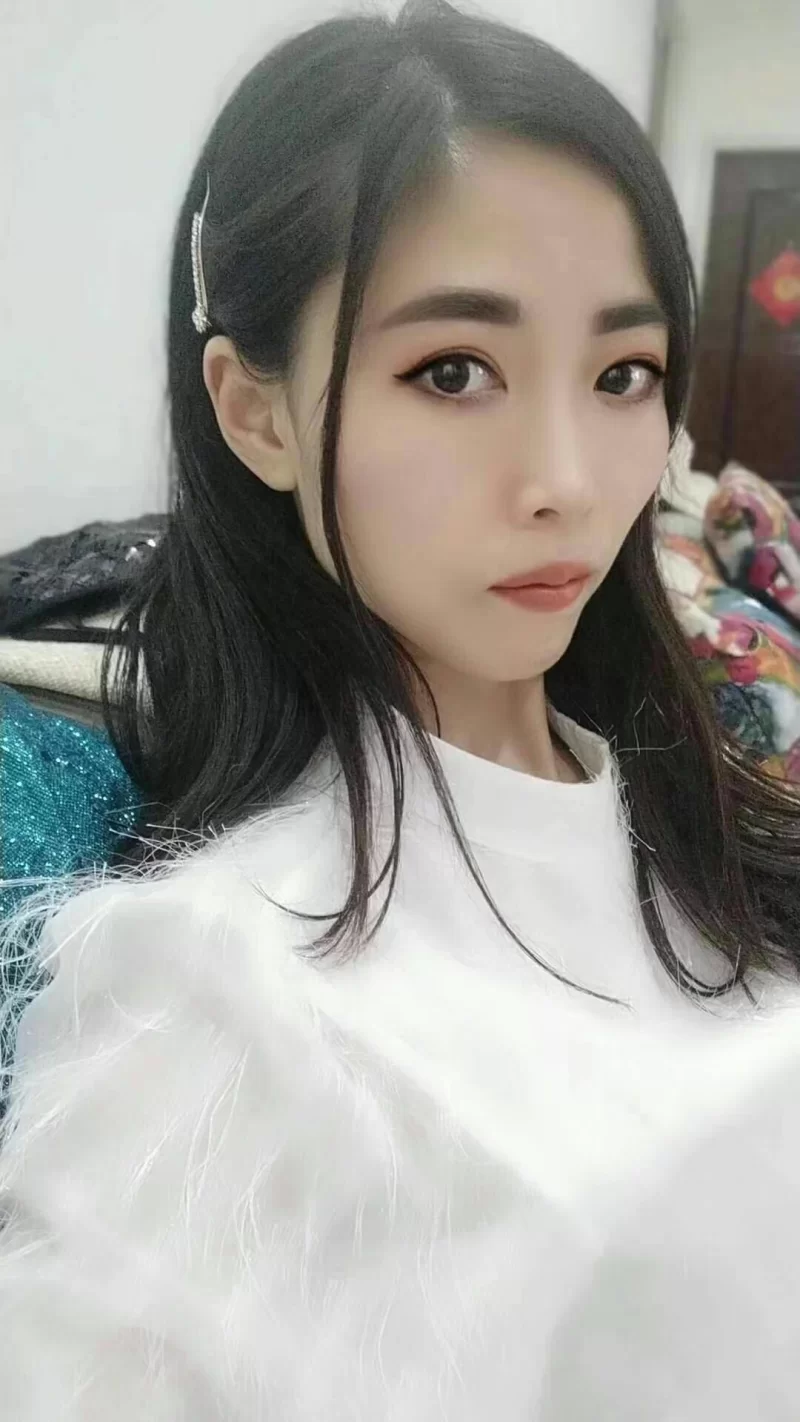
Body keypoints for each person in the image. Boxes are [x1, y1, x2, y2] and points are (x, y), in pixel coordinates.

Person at [1, 1, 800, 1415]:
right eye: (452, 372)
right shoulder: (203, 997)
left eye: (622, 374)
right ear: (256, 411)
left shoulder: (719, 832)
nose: (566, 479)